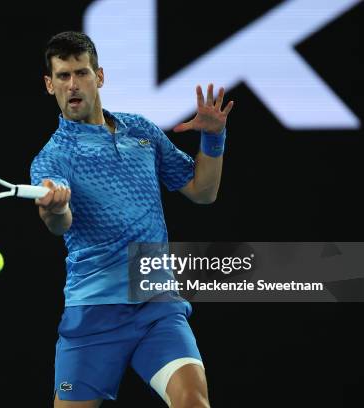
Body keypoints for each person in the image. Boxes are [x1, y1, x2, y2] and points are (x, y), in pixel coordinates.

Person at [30, 31, 233, 408]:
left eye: (82, 72)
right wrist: (55, 208)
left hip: (156, 302)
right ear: (49, 84)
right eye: (62, 76)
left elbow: (203, 191)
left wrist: (213, 139)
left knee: (193, 400)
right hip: (94, 313)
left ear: (100, 76)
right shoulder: (52, 159)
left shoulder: (141, 131)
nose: (73, 85)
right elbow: (60, 223)